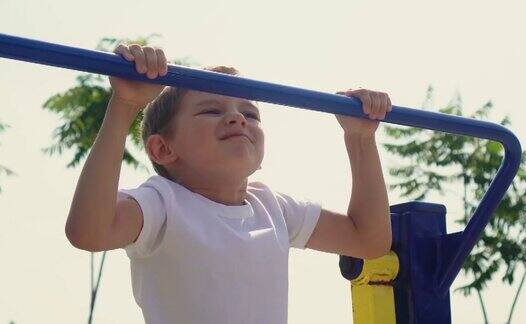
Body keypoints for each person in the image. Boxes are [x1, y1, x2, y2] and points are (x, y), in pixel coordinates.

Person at [65, 43, 393, 324]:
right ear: (163, 148)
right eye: (210, 111)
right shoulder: (163, 203)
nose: (237, 118)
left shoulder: (272, 207)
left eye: (250, 115)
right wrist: (124, 106)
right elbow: (89, 232)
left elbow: (368, 240)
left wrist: (360, 139)